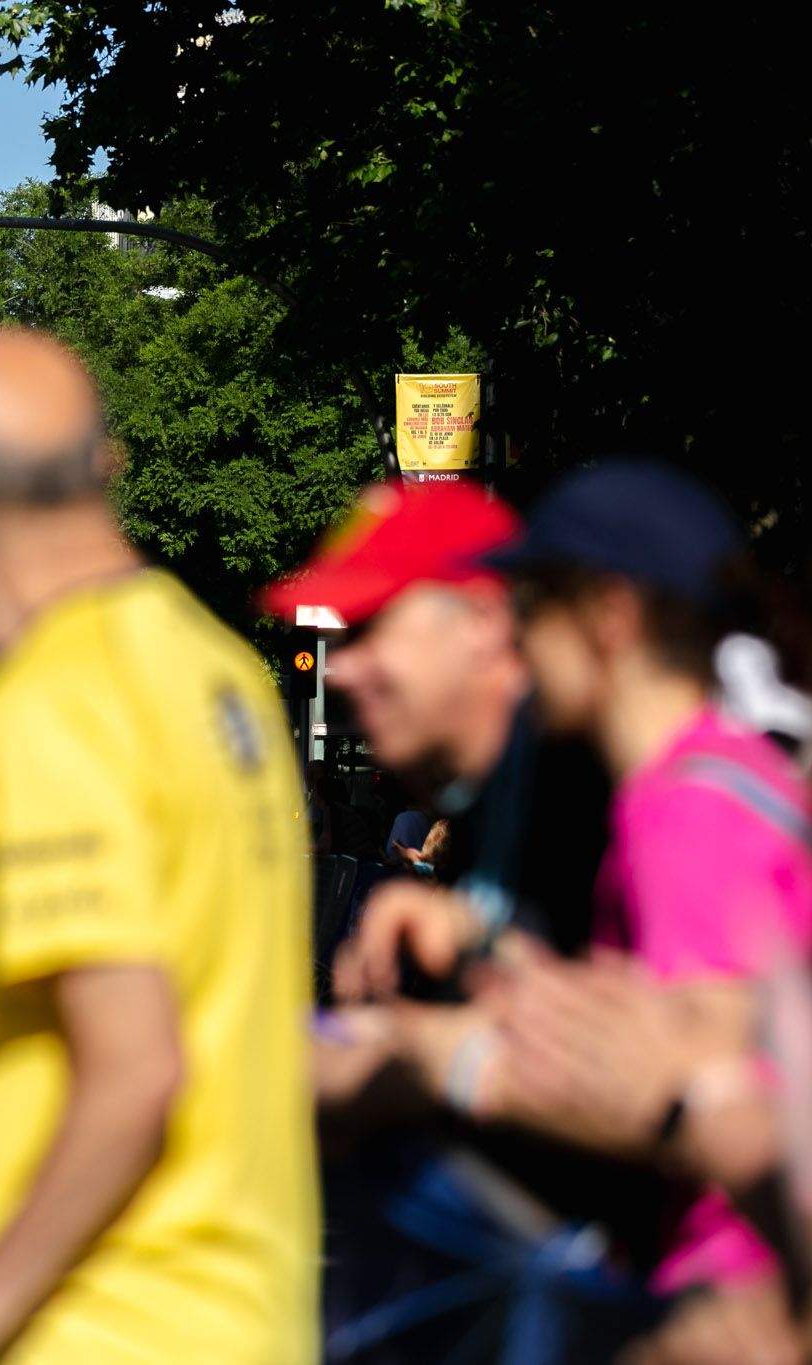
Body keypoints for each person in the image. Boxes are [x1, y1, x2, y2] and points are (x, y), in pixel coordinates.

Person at [0, 328, 316, 1363]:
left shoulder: (49, 707)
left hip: (101, 1328)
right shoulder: (216, 672)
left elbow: (134, 1065)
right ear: (102, 469)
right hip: (247, 1318)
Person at [348, 462, 812, 1345]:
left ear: (608, 617)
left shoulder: (682, 810)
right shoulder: (711, 778)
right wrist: (485, 941)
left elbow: (702, 1071)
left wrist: (415, 1054)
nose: (516, 639)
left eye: (533, 608)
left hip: (727, 1294)